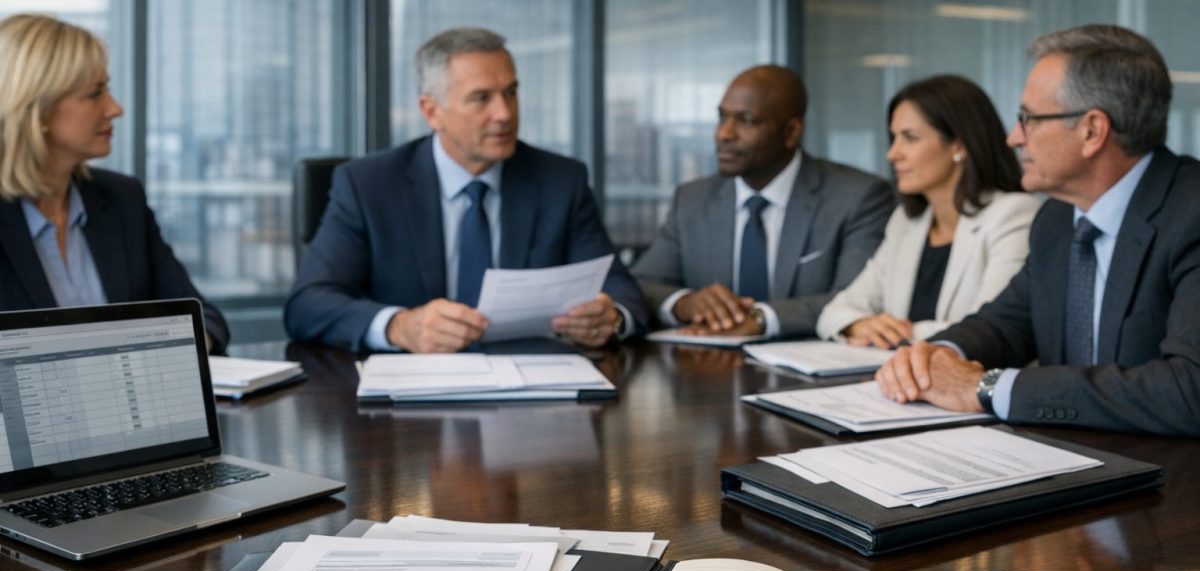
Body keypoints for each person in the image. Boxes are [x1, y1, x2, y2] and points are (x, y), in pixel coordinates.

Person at [877, 25, 1200, 436]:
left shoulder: (1190, 213)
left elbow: (1190, 388)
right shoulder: (1056, 219)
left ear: (1091, 131)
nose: (1013, 138)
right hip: (1066, 462)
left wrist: (987, 387)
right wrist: (935, 355)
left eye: (1027, 119)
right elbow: (1007, 323)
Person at [285, 28, 648, 353]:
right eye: (481, 98)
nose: (504, 113)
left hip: (530, 394)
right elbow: (308, 304)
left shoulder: (560, 180)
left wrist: (610, 318)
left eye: (510, 92)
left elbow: (623, 292)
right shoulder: (368, 185)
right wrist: (398, 327)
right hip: (406, 402)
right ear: (432, 111)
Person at [0, 14, 228, 352]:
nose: (115, 109)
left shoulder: (122, 199)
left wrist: (175, 354)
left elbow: (202, 317)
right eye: (95, 94)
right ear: (38, 109)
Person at [631, 64, 894, 339]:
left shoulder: (857, 197)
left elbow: (856, 300)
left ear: (792, 132)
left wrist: (761, 319)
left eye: (746, 120)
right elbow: (641, 284)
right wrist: (686, 303)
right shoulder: (693, 200)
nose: (724, 134)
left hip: (808, 373)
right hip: (706, 368)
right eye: (722, 118)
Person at [815, 76, 1039, 347]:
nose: (893, 153)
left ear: (959, 144)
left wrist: (890, 333)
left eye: (910, 138)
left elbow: (991, 330)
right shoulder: (905, 222)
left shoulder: (1013, 215)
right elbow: (835, 311)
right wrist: (859, 324)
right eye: (894, 137)